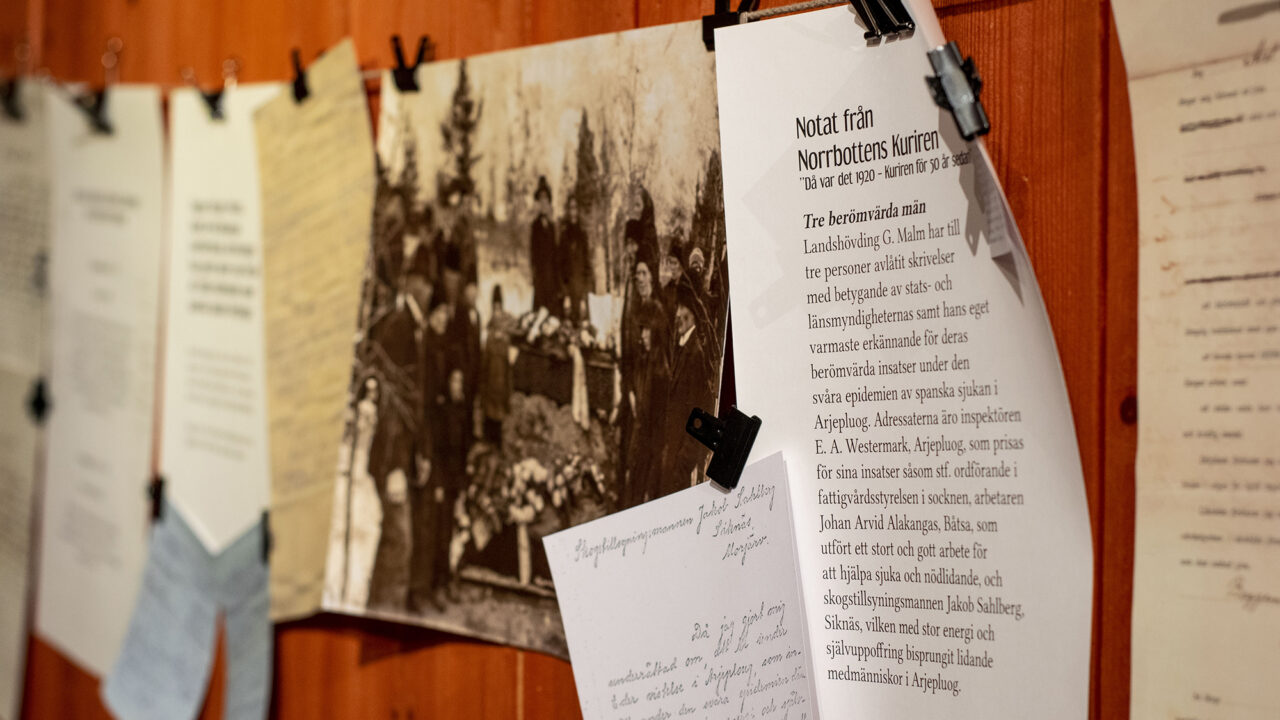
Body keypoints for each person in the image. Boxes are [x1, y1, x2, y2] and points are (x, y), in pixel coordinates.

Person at [663, 279, 714, 497]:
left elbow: (699, 409)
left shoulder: (695, 354)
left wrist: (686, 458)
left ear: (693, 314)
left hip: (681, 457)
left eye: (684, 309)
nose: (678, 315)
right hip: (671, 449)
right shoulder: (681, 346)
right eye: (678, 308)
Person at [480, 285, 514, 445]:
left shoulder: (506, 343)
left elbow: (508, 371)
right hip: (490, 392)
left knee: (500, 431)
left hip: (501, 392)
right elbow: (484, 369)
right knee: (489, 428)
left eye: (499, 308)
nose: (497, 312)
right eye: (495, 309)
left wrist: (508, 394)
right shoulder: (488, 342)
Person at [558, 195, 591, 323]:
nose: (573, 212)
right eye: (571, 208)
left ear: (578, 211)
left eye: (575, 208)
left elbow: (587, 267)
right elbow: (560, 267)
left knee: (583, 332)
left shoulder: (583, 235)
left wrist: (584, 296)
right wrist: (565, 294)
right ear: (568, 211)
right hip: (568, 294)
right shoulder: (564, 236)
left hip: (581, 294)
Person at [529, 176, 559, 314]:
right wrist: (534, 274)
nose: (543, 204)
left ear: (549, 203)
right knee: (539, 311)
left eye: (546, 200)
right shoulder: (535, 226)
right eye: (540, 200)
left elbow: (557, 253)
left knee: (552, 312)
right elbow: (533, 253)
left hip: (552, 277)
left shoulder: (553, 227)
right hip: (540, 277)